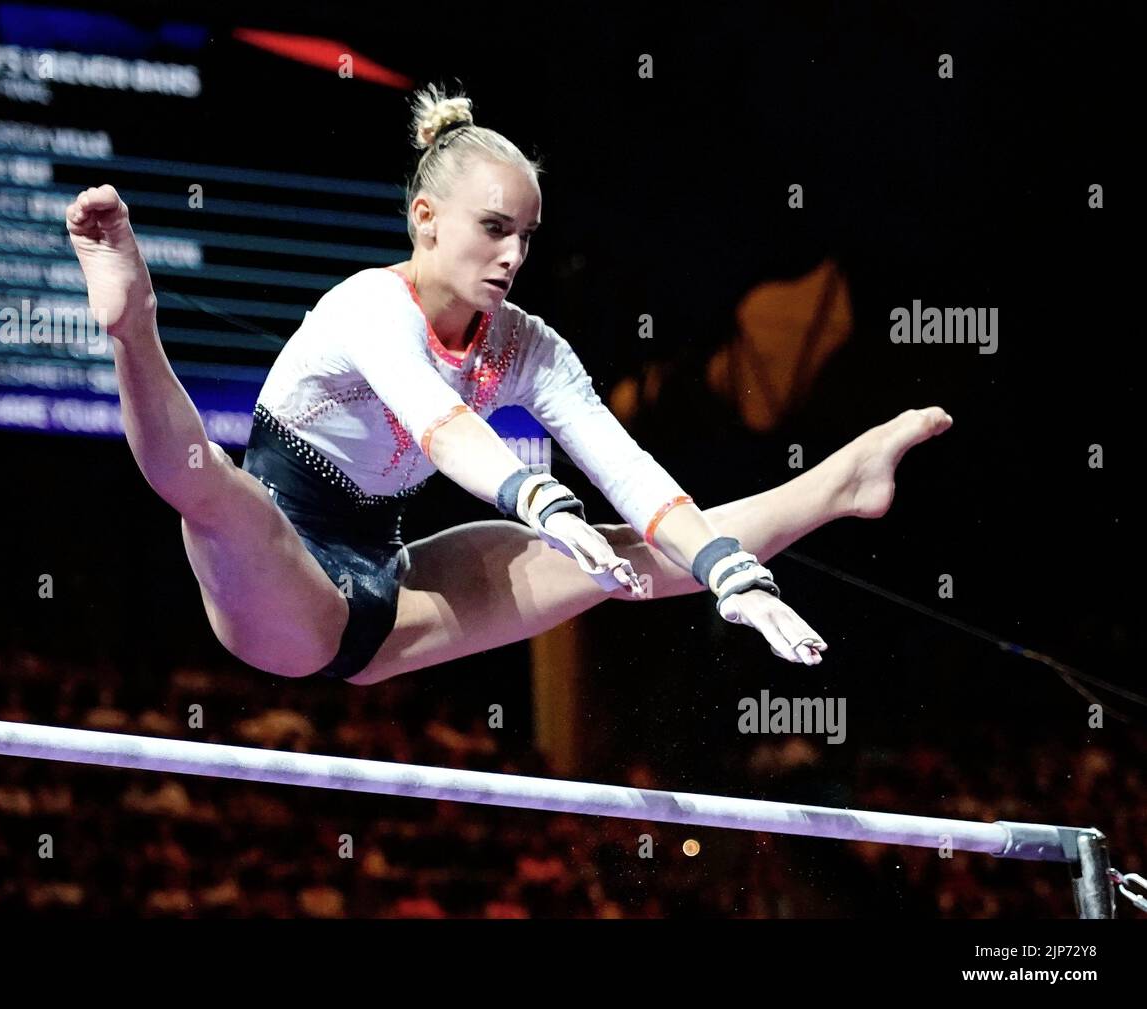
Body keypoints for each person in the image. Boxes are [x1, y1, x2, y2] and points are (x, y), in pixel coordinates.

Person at [65, 83, 951, 686]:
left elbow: (628, 468)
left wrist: (731, 576)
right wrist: (542, 501)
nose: (514, 255)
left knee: (620, 557)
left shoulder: (528, 344)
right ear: (425, 218)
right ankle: (133, 324)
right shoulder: (367, 307)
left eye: (525, 235)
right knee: (213, 489)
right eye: (493, 228)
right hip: (280, 588)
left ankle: (838, 485)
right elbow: (443, 426)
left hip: (392, 591)